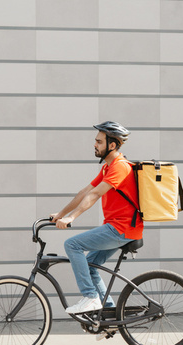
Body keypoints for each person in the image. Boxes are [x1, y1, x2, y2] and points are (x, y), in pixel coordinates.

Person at [50, 121, 143, 315]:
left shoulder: (120, 167)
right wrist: (61, 214)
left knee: (72, 245)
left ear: (112, 145)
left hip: (121, 229)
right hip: (117, 227)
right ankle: (109, 314)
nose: (95, 145)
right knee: (91, 267)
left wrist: (71, 218)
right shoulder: (107, 168)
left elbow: (94, 195)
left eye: (99, 142)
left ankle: (91, 297)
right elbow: (85, 191)